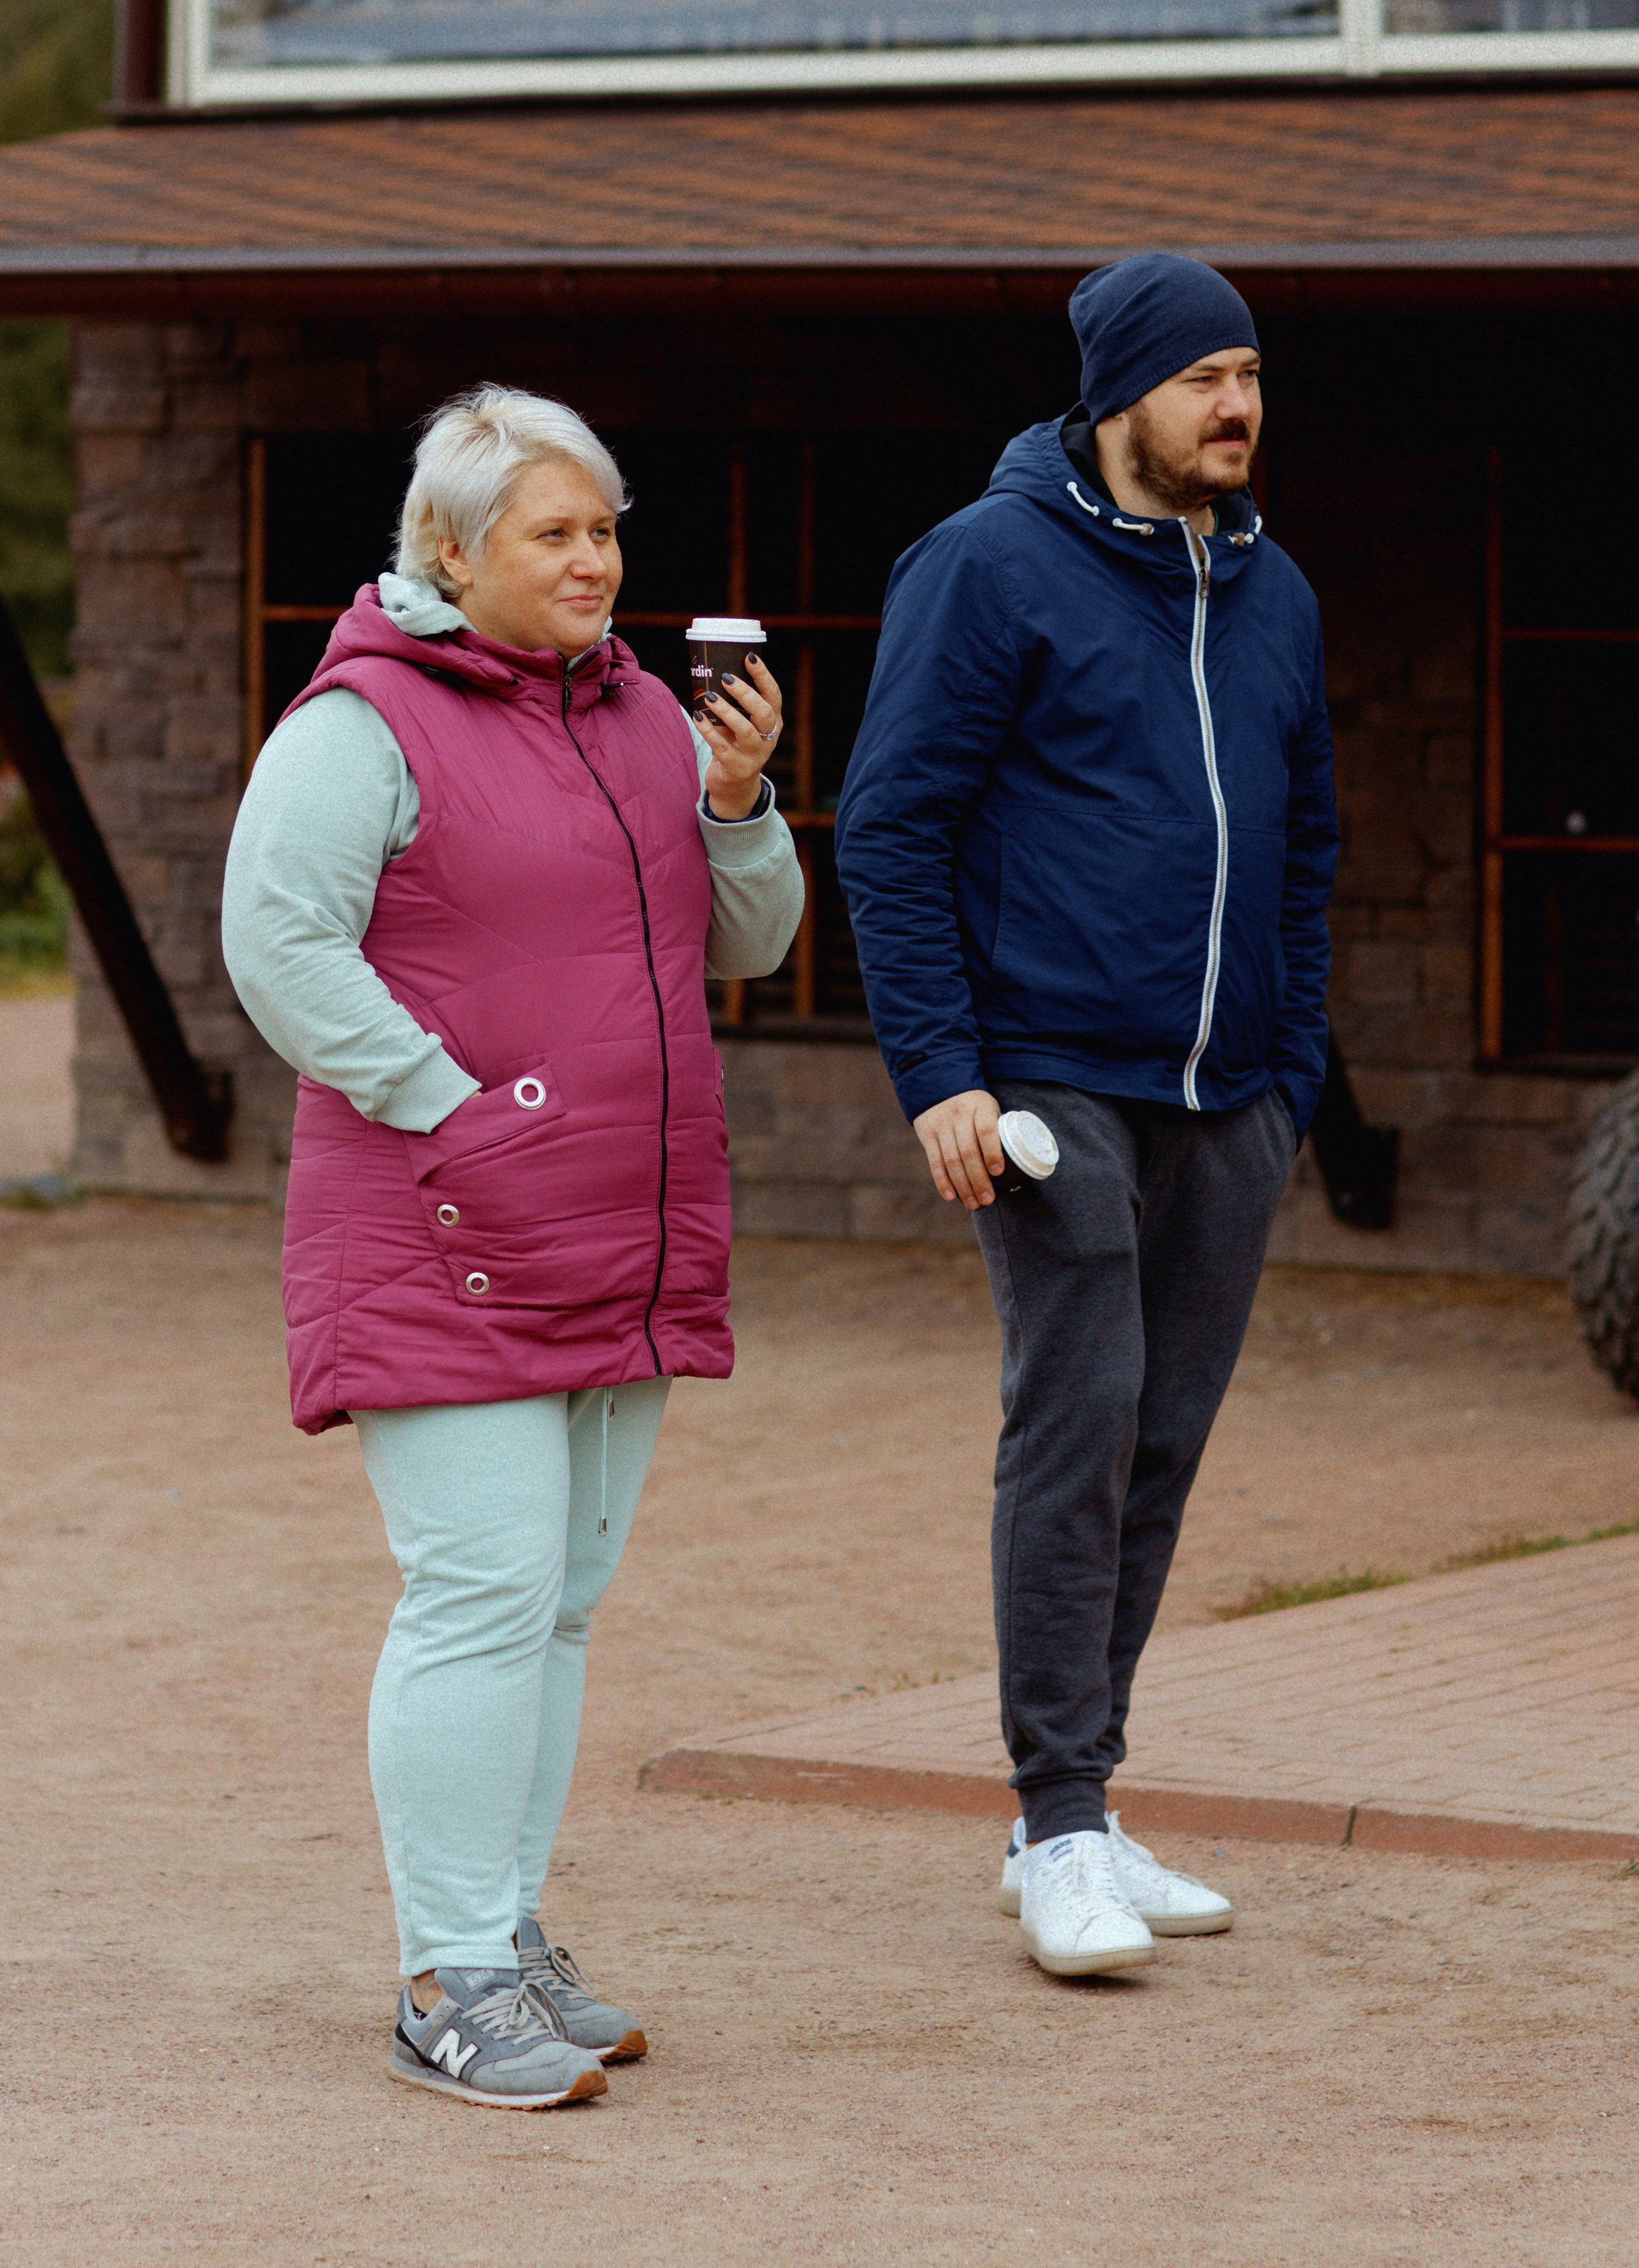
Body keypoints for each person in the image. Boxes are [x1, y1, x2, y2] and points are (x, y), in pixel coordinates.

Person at [223, 386, 803, 2103]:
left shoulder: (639, 718)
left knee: (555, 1605)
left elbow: (751, 944)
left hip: (616, 1233)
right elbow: (277, 940)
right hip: (436, 1228)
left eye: (604, 529)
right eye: (552, 533)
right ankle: (447, 1973)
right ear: (448, 549)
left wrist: (740, 794)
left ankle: (505, 1929)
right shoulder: (362, 723)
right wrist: (448, 1103)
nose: (591, 561)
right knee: (479, 1593)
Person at [835, 252, 1336, 1980]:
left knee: (1159, 1443)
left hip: (1225, 1095)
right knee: (1079, 1423)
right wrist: (939, 1077)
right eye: (1203, 376)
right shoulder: (985, 567)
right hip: (1047, 1079)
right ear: (1120, 394)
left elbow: (1306, 847)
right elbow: (889, 829)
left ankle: (1083, 1797)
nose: (1236, 407)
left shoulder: (1272, 595)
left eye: (1251, 375)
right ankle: (1053, 1829)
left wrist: (1292, 1075)